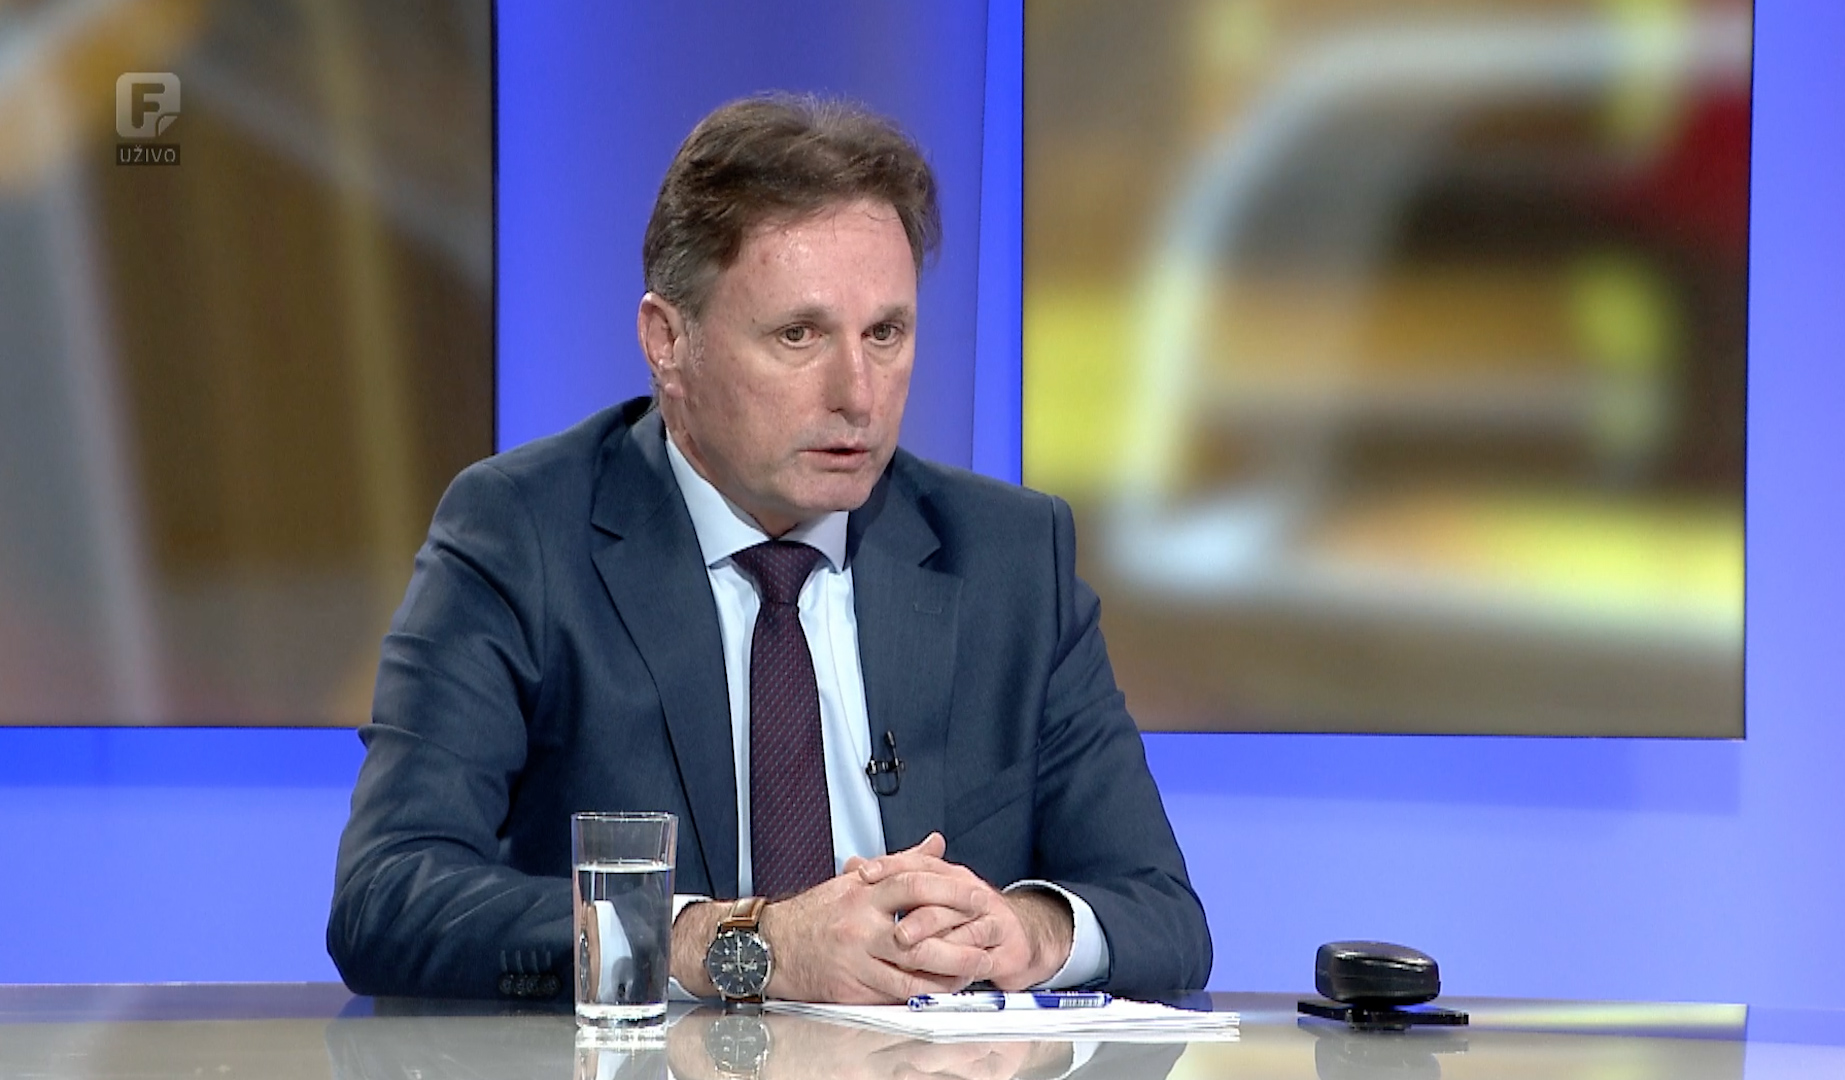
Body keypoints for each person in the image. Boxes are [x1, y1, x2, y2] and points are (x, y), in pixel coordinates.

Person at [327, 94, 1211, 1004]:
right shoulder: (523, 535)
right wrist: (738, 945)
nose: (857, 394)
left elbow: (1162, 913)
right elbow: (388, 896)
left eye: (885, 334)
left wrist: (1024, 931)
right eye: (799, 335)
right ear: (668, 343)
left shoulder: (1008, 557)